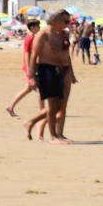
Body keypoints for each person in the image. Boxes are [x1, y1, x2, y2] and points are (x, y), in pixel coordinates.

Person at [24, 10, 76, 144]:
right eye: (64, 21)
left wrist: (72, 72)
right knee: (54, 105)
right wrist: (31, 77)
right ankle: (53, 136)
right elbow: (33, 56)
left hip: (61, 70)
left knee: (60, 105)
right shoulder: (43, 35)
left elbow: (66, 54)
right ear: (54, 20)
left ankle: (37, 124)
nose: (66, 24)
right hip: (46, 69)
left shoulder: (62, 34)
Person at [6, 18, 42, 118]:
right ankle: (42, 111)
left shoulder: (33, 37)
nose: (39, 28)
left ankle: (11, 106)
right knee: (39, 89)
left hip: (32, 66)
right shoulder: (29, 38)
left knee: (29, 89)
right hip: (30, 67)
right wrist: (29, 69)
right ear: (33, 27)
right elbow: (27, 54)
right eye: (37, 26)